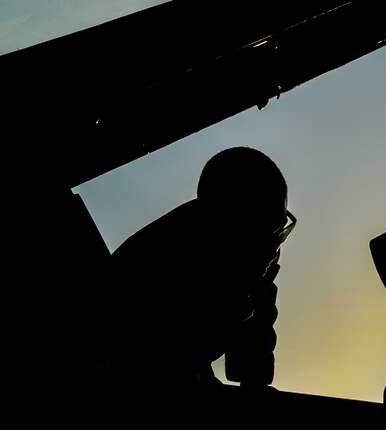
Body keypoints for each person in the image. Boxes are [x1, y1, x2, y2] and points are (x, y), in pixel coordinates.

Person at [105, 146, 296, 410]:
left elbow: (250, 370)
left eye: (280, 228)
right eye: (265, 228)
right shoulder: (161, 261)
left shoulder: (247, 263)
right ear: (227, 218)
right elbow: (165, 364)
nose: (274, 245)